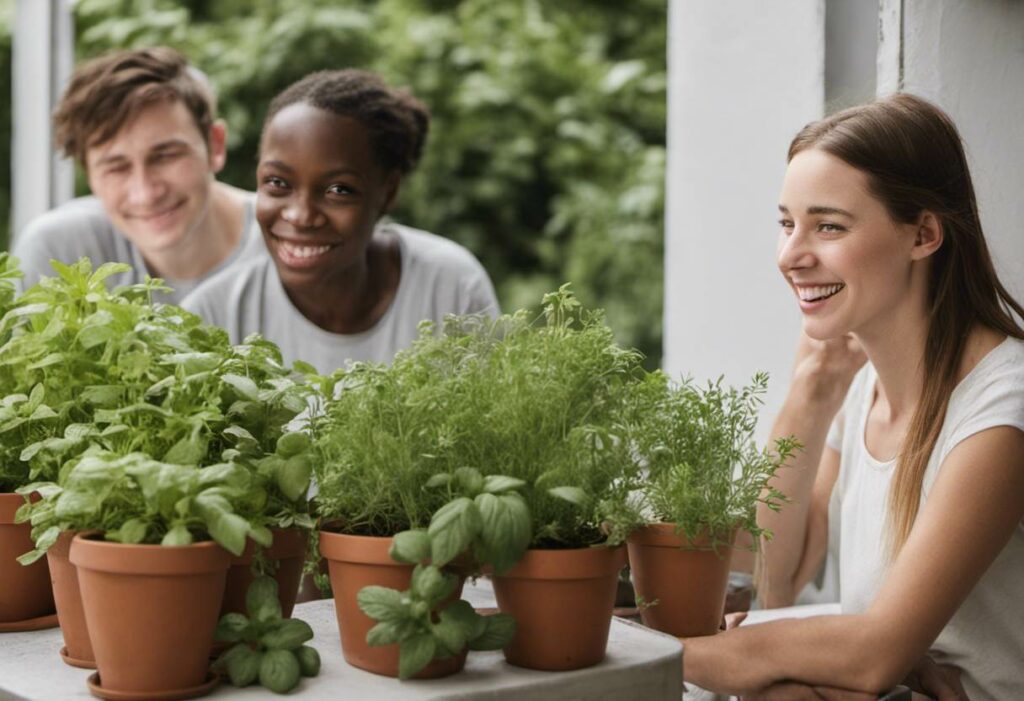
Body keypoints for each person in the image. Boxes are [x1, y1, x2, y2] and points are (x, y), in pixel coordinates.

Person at [683, 94, 1024, 701]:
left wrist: (674, 655)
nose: (791, 255)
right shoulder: (865, 386)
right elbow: (776, 573)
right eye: (787, 223)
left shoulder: (1001, 409)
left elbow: (870, 655)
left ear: (923, 234)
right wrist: (812, 393)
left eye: (829, 226)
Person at [181, 69, 498, 372]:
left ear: (387, 193)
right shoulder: (212, 318)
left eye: (339, 190)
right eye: (278, 183)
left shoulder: (450, 288)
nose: (301, 215)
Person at [13, 47, 264, 304]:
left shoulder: (290, 243)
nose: (146, 194)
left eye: (165, 156)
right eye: (116, 167)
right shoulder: (59, 253)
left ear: (215, 145)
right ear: (88, 174)